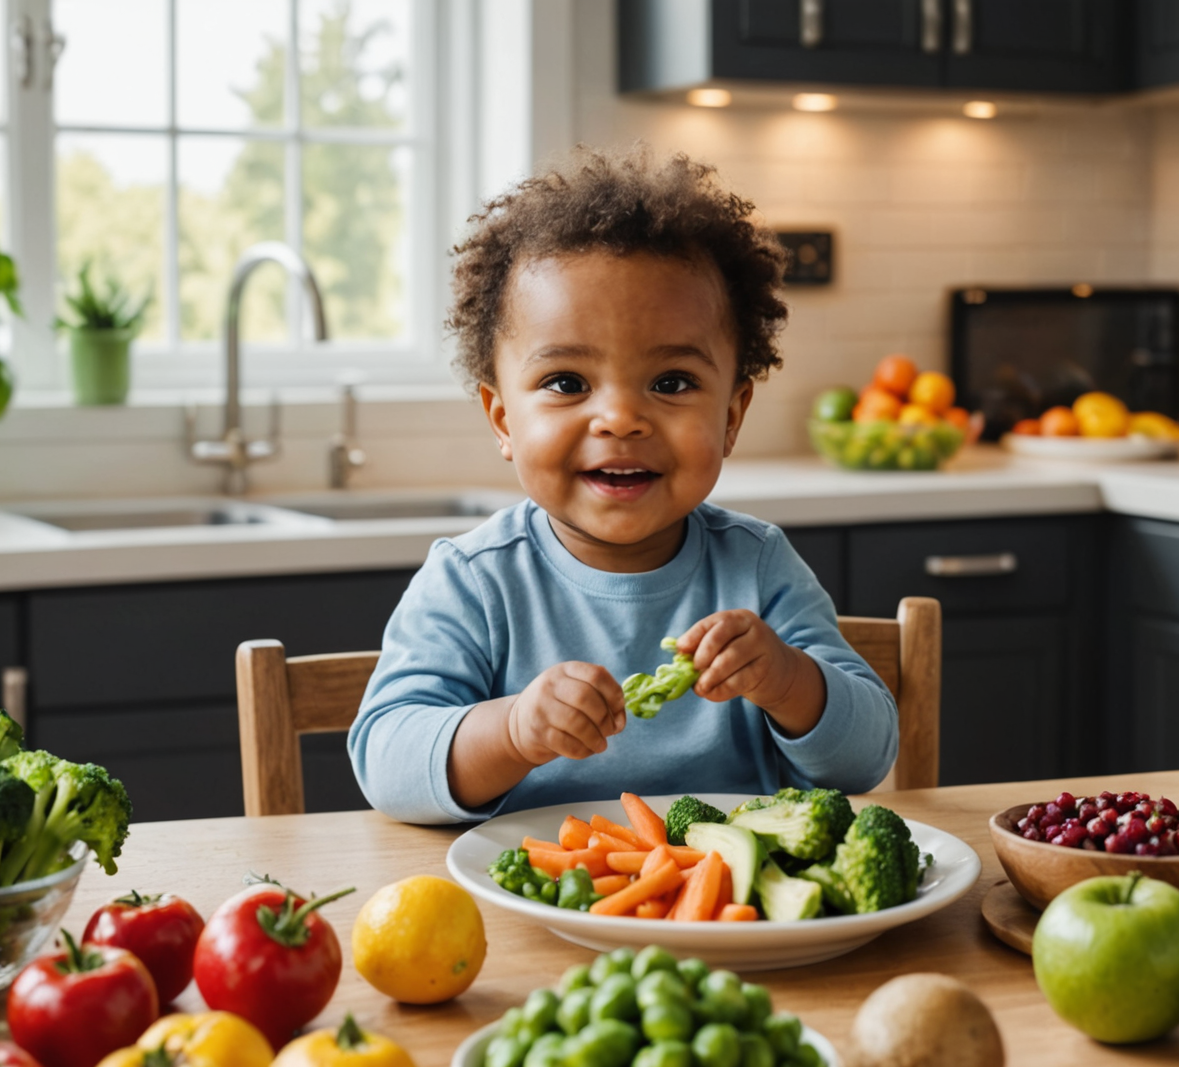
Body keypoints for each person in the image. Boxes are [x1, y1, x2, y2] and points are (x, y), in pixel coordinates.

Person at [350, 146, 898, 823]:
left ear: (731, 417)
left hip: (730, 911)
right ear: (503, 420)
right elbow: (386, 761)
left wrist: (787, 680)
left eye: (670, 383)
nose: (620, 419)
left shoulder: (757, 568)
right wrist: (514, 730)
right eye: (567, 383)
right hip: (534, 908)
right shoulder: (473, 580)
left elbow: (868, 756)